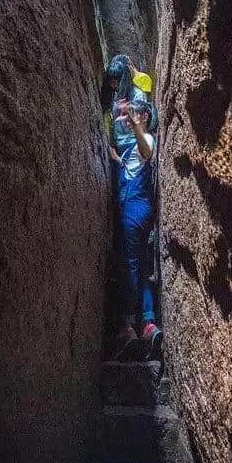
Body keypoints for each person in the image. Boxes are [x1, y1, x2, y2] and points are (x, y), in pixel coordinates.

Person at [108, 99, 162, 359]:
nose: (129, 118)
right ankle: (149, 324)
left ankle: (127, 325)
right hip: (135, 206)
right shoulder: (131, 148)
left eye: (135, 114)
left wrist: (139, 126)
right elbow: (133, 166)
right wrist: (117, 159)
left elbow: (147, 151)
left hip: (134, 206)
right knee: (140, 266)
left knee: (129, 263)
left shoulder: (147, 138)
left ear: (144, 117)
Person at [101, 54, 153, 153]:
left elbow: (142, 125)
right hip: (118, 144)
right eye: (111, 82)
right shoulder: (114, 94)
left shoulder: (138, 95)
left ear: (123, 79)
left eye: (116, 82)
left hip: (133, 146)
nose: (113, 86)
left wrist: (128, 111)